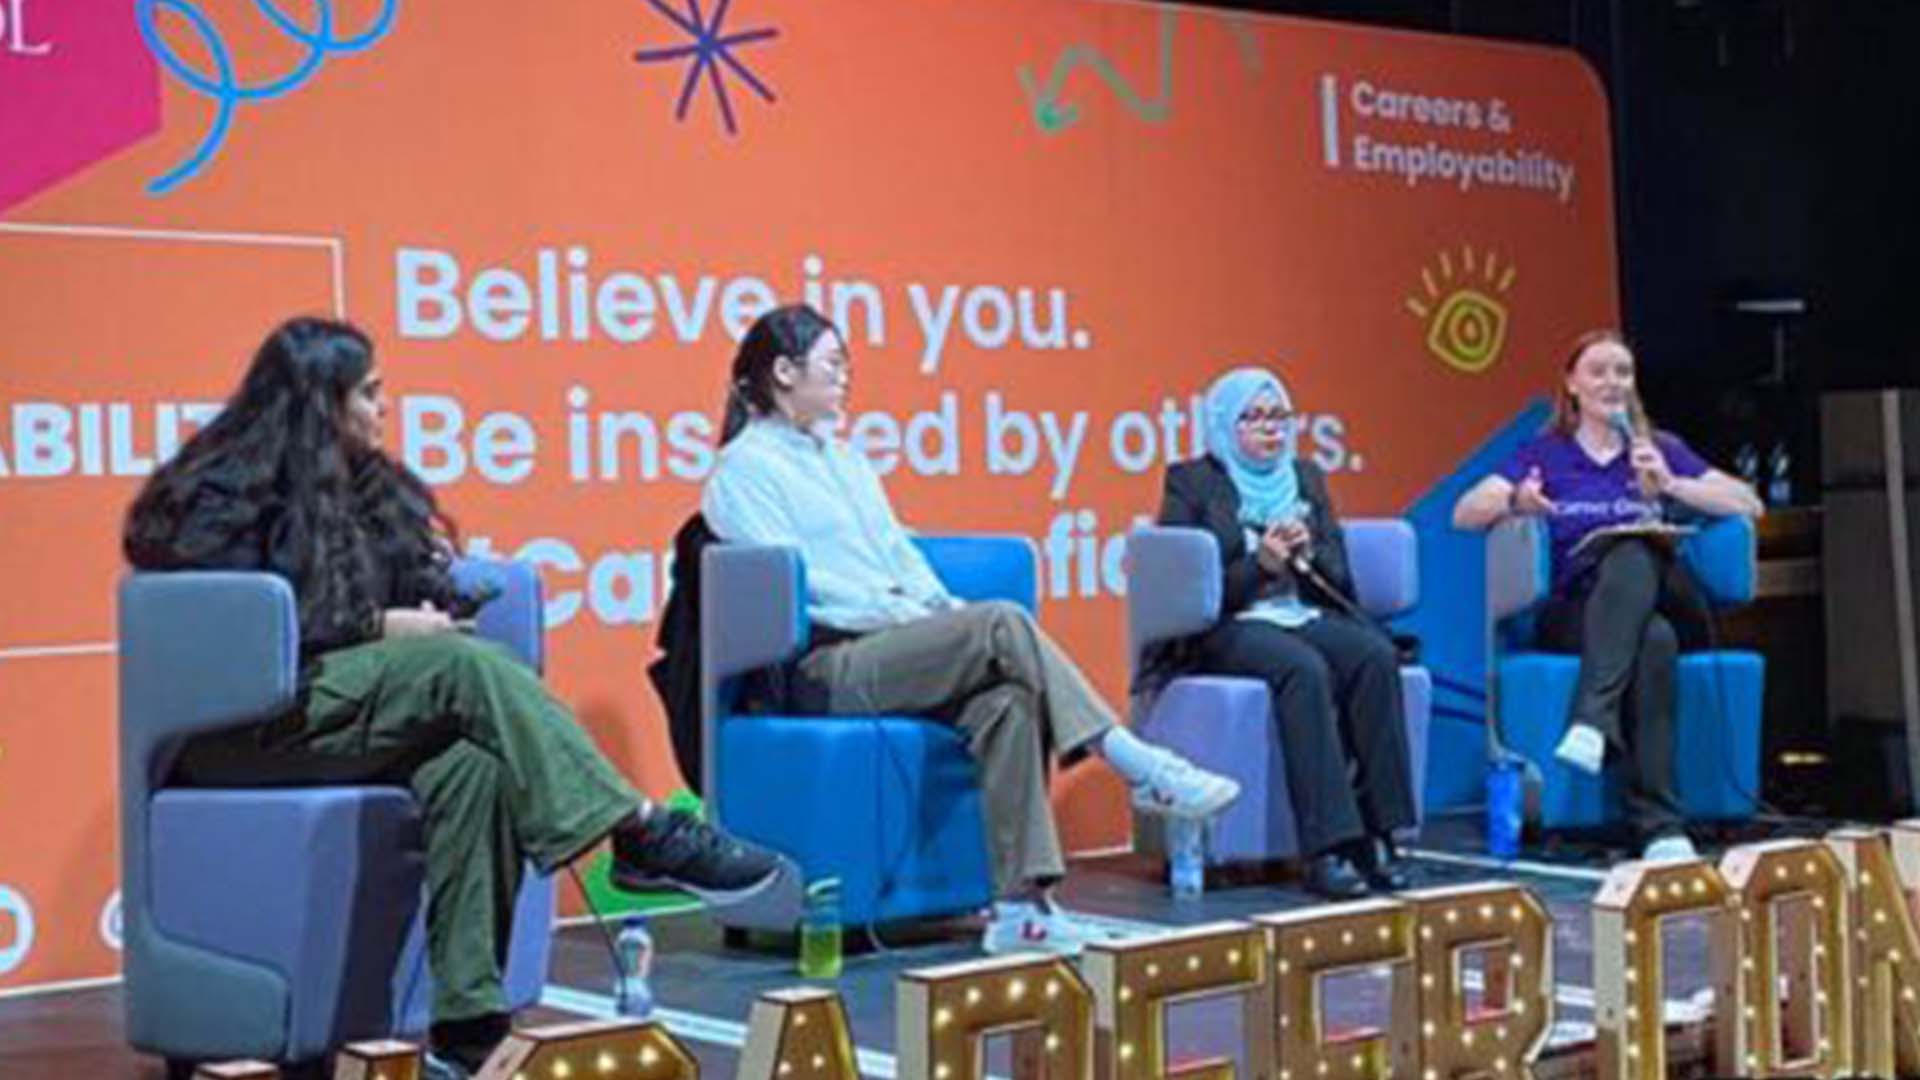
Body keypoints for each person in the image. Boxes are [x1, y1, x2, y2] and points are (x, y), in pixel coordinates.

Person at [123, 317, 783, 1078]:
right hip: (245, 728)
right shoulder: (219, 490)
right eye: (369, 393)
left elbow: (404, 595)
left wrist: (433, 586)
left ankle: (469, 1022)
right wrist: (375, 624)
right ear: (319, 401)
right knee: (460, 667)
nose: (384, 407)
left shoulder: (371, 489)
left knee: (474, 765)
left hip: (342, 719)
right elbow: (214, 599)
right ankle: (639, 830)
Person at [700, 304, 1240, 956]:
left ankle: (1021, 909)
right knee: (999, 624)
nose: (847, 377)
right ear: (784, 372)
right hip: (823, 664)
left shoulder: (845, 460)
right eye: (833, 364)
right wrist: (913, 614)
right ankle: (1138, 764)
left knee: (1005, 703)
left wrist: (939, 605)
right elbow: (798, 584)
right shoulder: (742, 471)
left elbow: (899, 554)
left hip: (892, 643)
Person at [1452, 329, 1763, 861]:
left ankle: (1592, 719)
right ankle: (1661, 829)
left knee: (1635, 552)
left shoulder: (1658, 449)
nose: (1612, 383)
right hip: (1581, 609)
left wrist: (1672, 486)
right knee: (1654, 642)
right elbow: (1464, 512)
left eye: (1622, 372)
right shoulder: (1543, 455)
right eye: (1598, 371)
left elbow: (1748, 501)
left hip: (1668, 593)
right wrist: (1518, 501)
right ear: (1572, 384)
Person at [1143, 367, 1417, 899]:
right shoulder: (1191, 482)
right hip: (1225, 625)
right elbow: (1187, 589)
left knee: (1373, 656)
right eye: (1254, 418)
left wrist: (1309, 554)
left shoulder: (1306, 477)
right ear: (1225, 424)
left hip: (1300, 613)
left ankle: (1381, 835)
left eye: (1278, 417)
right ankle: (1327, 848)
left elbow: (1342, 580)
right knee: (1302, 668)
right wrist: (1261, 564)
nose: (1270, 430)